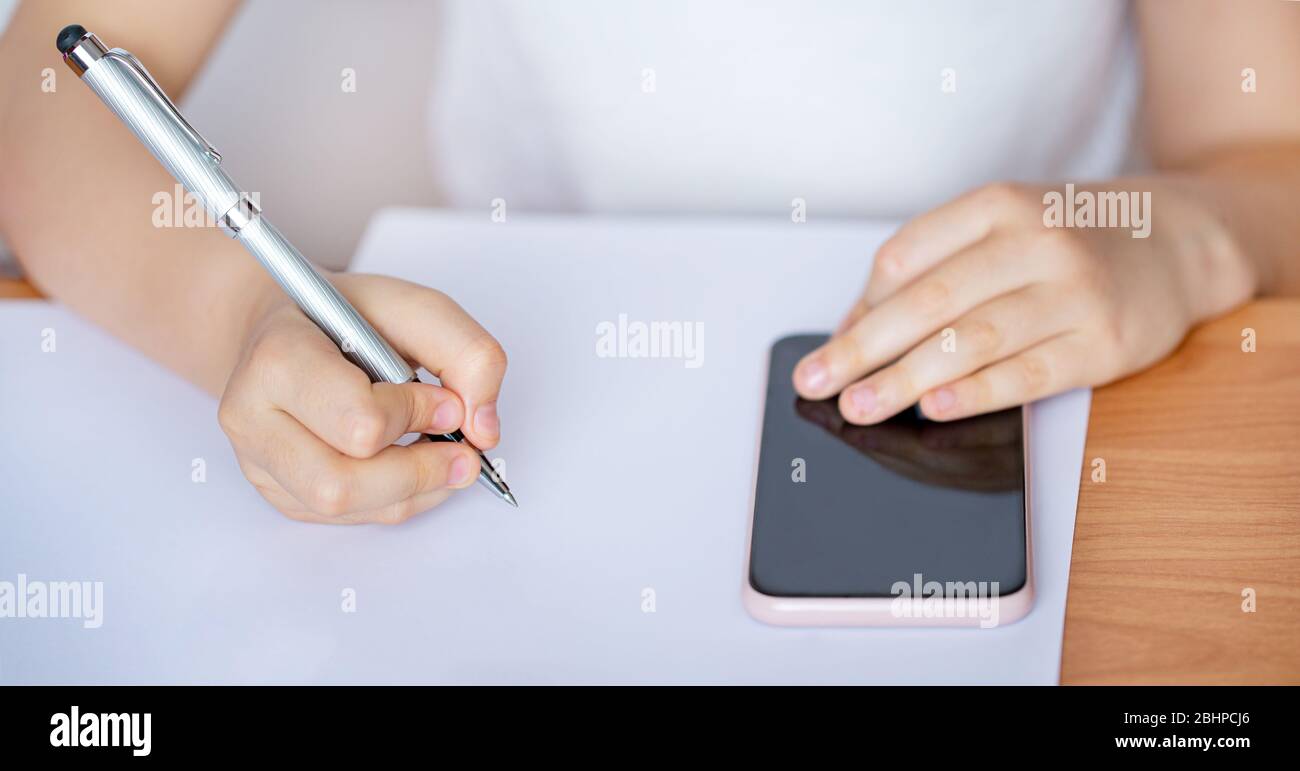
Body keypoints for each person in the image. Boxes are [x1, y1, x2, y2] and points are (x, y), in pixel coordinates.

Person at [2, 0, 1297, 526]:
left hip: (1052, 414)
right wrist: (238, 312)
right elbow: (49, 81)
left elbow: (1267, 153)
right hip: (538, 388)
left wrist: (1184, 232)